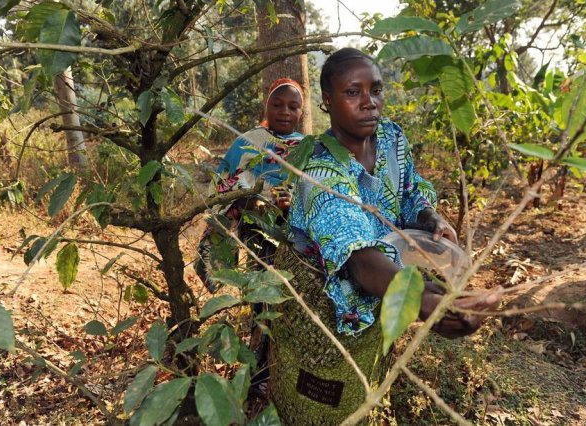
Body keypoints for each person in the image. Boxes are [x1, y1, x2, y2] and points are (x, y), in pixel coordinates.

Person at [288, 48, 501, 337]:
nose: (370, 103)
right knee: (323, 377)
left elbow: (410, 188)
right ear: (327, 100)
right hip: (323, 310)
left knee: (374, 370)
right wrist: (423, 300)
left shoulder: (390, 136)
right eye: (353, 93)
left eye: (376, 90)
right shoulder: (320, 172)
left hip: (385, 287)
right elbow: (359, 257)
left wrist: (428, 215)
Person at [195, 78, 305, 292]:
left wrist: (289, 206)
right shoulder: (247, 142)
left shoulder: (307, 148)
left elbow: (313, 192)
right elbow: (221, 187)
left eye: (293, 107)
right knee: (259, 282)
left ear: (301, 112)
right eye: (277, 105)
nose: (285, 112)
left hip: (293, 229)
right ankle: (256, 321)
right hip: (253, 224)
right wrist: (251, 201)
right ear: (266, 106)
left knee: (288, 291)